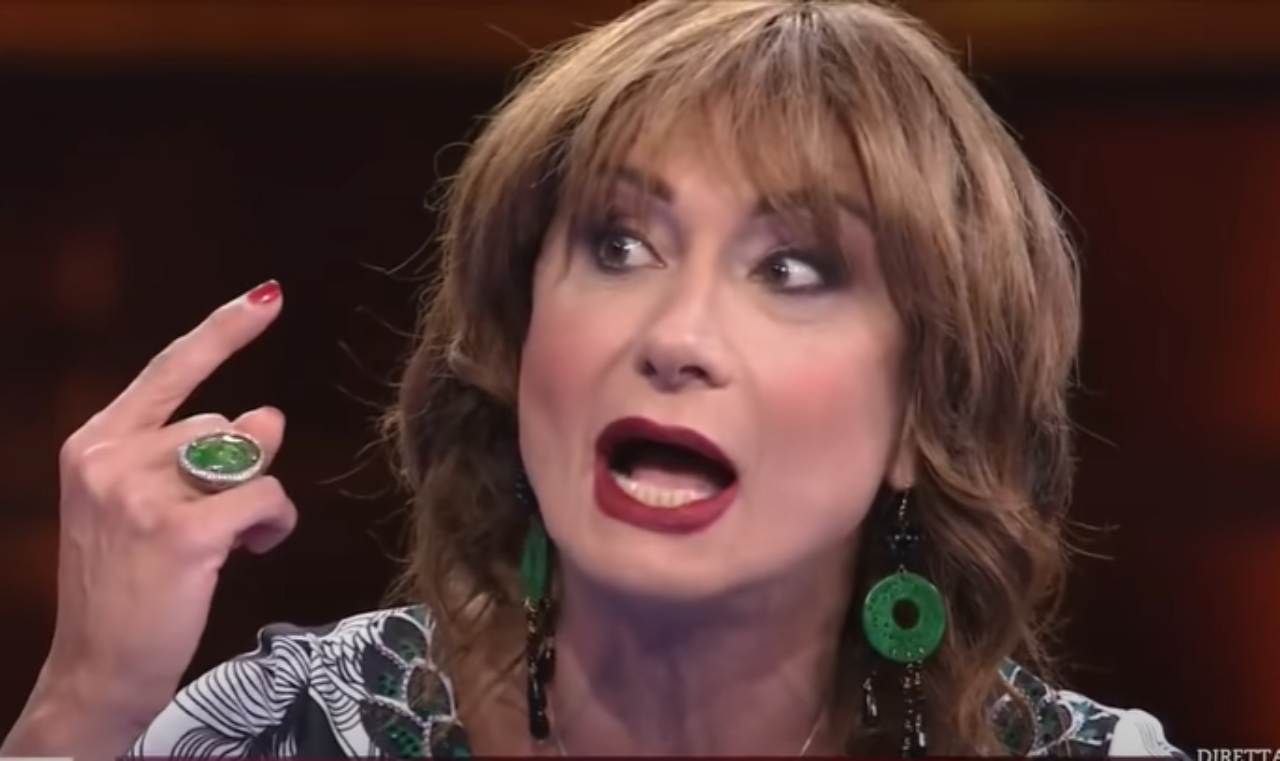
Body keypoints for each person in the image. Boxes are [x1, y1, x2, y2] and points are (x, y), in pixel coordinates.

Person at [2, 1, 1188, 758]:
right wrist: (86, 699)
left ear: (924, 411)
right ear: (519, 340)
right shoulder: (288, 727)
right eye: (619, 244)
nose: (675, 334)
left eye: (792, 267)